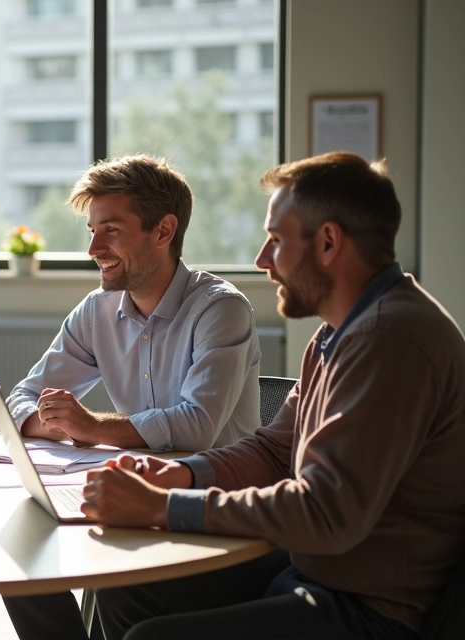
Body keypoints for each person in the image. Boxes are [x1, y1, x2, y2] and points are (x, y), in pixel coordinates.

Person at [79, 151, 465, 640]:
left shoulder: (391, 339)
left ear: (328, 242)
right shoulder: (339, 333)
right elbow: (274, 449)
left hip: (370, 610)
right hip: (311, 573)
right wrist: (179, 471)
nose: (262, 259)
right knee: (125, 584)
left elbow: (325, 513)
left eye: (277, 240)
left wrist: (163, 507)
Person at [1, 154, 263, 639]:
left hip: (211, 520)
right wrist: (53, 420)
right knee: (22, 559)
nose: (93, 248)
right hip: (129, 502)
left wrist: (94, 428)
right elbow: (23, 395)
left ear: (163, 231)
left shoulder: (221, 310)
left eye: (112, 231)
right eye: (91, 231)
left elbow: (196, 426)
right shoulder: (97, 311)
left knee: (115, 582)